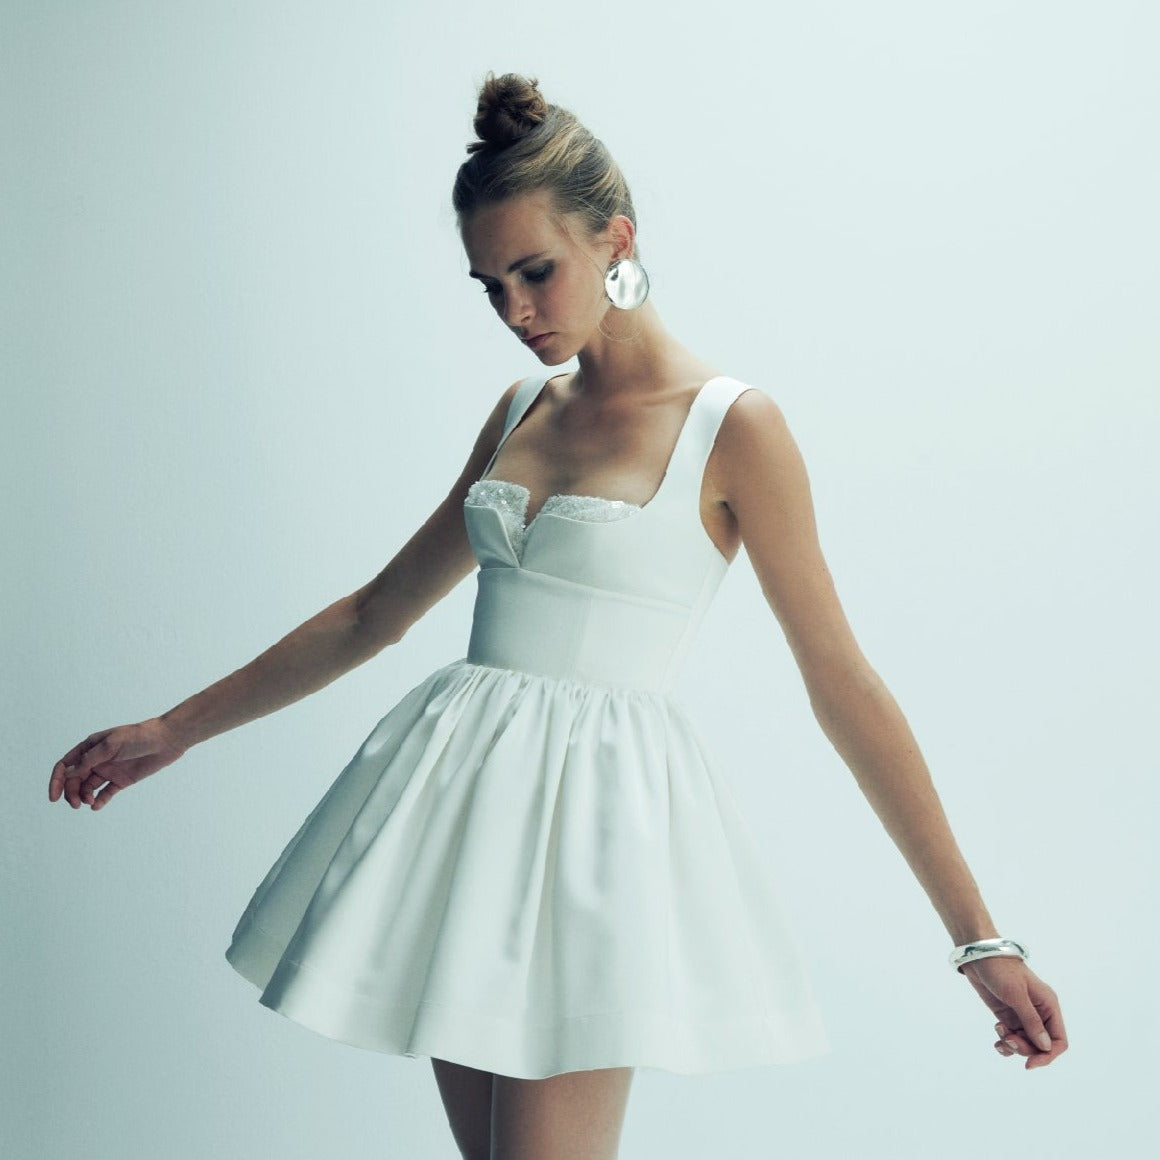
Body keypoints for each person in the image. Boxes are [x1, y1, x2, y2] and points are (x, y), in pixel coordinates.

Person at [48, 71, 1068, 1160]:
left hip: (595, 837)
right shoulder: (521, 408)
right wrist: (174, 729)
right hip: (459, 818)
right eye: (489, 285)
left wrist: (978, 938)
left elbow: (841, 682)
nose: (515, 311)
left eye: (535, 271)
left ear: (615, 238)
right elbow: (374, 613)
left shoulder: (733, 426)